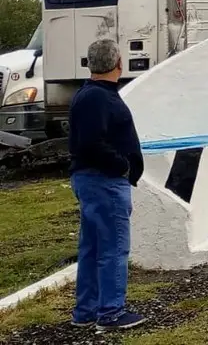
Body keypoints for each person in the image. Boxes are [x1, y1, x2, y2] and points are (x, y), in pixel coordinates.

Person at [68, 39, 147, 331]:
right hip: (104, 181)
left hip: (91, 179)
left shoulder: (89, 94)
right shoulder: (98, 98)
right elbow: (91, 143)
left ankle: (85, 310)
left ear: (90, 64)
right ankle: (111, 311)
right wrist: (123, 166)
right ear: (118, 64)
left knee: (92, 246)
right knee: (114, 247)